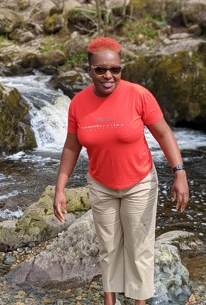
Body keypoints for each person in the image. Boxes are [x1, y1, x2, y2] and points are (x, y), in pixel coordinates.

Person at [53, 37, 189, 305]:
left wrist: (180, 172)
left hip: (139, 184)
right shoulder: (78, 103)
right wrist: (60, 188)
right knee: (109, 248)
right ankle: (109, 301)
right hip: (101, 185)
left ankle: (139, 302)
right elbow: (72, 146)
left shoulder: (139, 95)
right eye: (101, 69)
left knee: (138, 250)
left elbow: (163, 134)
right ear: (89, 70)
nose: (108, 75)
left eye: (115, 70)